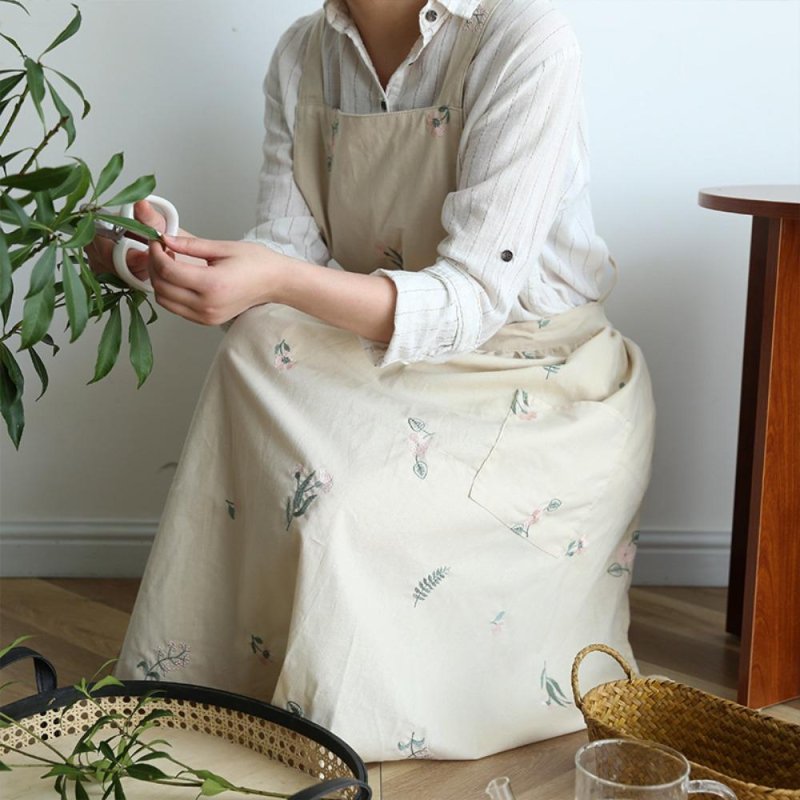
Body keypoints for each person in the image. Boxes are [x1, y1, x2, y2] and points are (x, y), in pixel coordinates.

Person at [89, 0, 655, 762]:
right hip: (384, 354)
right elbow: (288, 256)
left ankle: (337, 715)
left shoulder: (523, 37)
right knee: (256, 338)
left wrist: (275, 278)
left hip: (535, 375)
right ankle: (209, 678)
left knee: (344, 509)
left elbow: (474, 296)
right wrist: (157, 259)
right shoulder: (301, 54)